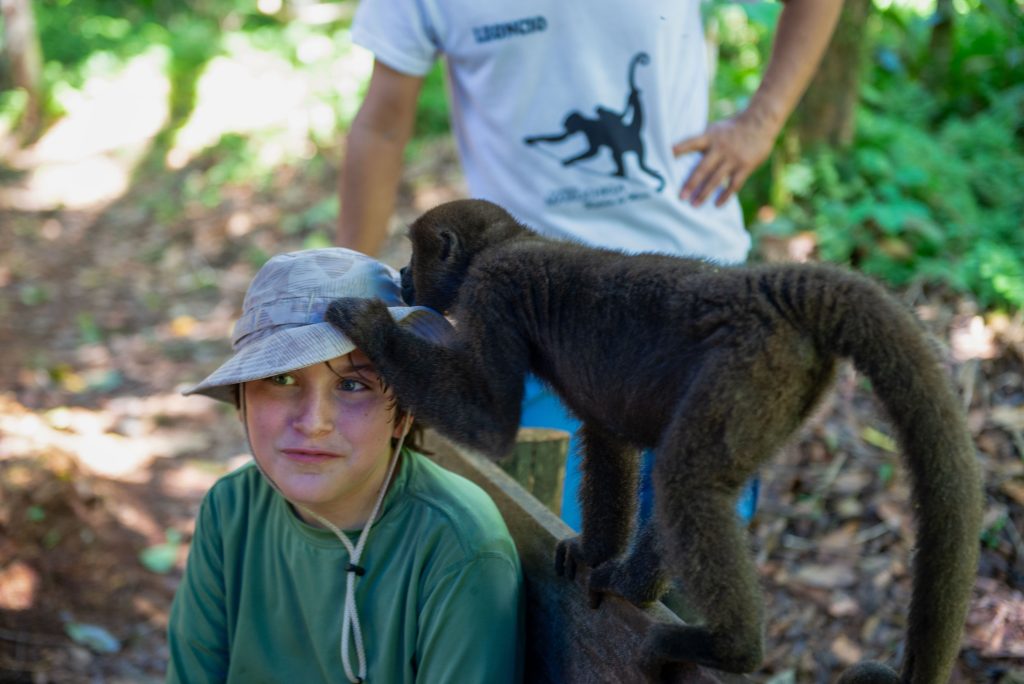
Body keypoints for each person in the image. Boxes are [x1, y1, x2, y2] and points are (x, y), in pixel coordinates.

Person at [337, 0, 842, 529]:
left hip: (692, 295)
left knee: (688, 551)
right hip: (536, 314)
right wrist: (344, 282)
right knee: (548, 557)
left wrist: (762, 121)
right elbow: (382, 129)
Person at [167, 248, 524, 683]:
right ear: (241, 400)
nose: (314, 422)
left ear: (407, 407)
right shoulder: (231, 508)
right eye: (281, 379)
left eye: (353, 384)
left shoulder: (459, 545)